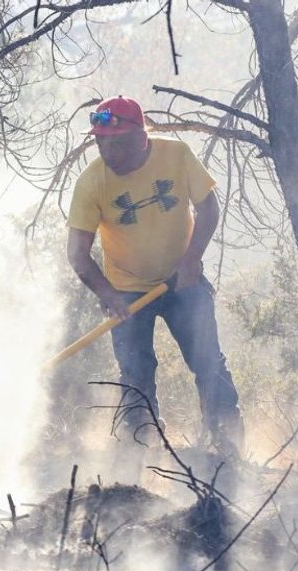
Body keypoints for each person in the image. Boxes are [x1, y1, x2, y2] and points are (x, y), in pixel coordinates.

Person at [65, 95, 244, 455]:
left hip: (184, 282)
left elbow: (208, 206)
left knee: (209, 361)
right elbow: (78, 255)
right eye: (100, 143)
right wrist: (108, 295)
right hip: (127, 293)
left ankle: (228, 447)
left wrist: (192, 260)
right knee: (136, 376)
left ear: (140, 137)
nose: (107, 152)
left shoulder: (176, 156)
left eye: (116, 144)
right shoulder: (90, 183)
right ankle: (139, 452)